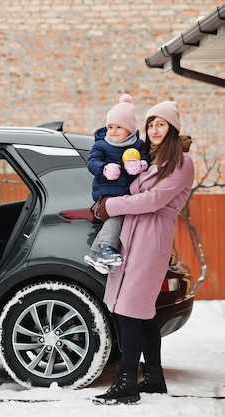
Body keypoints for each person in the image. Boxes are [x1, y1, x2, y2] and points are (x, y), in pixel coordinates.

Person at [92, 101, 194, 405]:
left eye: (161, 124)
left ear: (173, 128)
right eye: (150, 125)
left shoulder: (182, 162)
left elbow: (151, 200)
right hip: (132, 234)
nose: (154, 130)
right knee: (143, 312)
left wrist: (110, 206)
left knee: (129, 310)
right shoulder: (149, 159)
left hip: (152, 237)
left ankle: (127, 382)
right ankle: (153, 377)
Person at [84, 94, 150, 274]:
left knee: (121, 219)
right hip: (105, 195)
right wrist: (104, 169)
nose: (112, 131)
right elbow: (91, 162)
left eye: (118, 127)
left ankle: (94, 253)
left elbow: (147, 161)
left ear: (129, 129)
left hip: (126, 196)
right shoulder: (101, 145)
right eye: (110, 127)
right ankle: (105, 248)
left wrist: (140, 166)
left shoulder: (137, 146)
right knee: (117, 217)